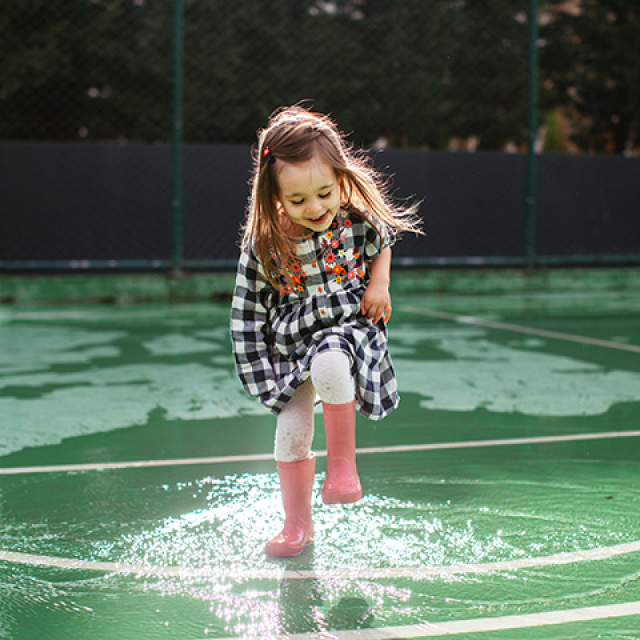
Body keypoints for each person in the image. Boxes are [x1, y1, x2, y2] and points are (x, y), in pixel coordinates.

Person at [231, 105, 420, 557]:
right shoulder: (263, 243)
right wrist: (259, 366)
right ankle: (297, 525)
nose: (314, 207)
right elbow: (246, 311)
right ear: (273, 195)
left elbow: (384, 241)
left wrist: (380, 283)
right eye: (297, 201)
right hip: (292, 341)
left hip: (347, 327)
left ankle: (342, 470)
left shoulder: (355, 219)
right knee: (292, 429)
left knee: (332, 362)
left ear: (341, 179)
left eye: (324, 193)